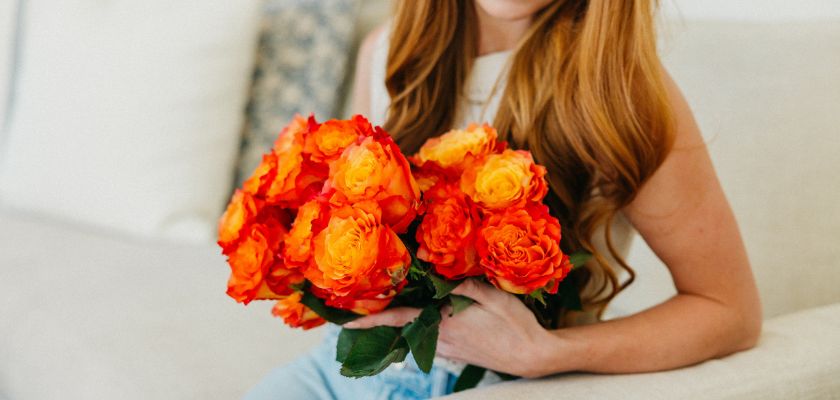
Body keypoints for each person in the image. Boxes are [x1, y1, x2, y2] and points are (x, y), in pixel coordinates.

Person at [246, 0, 762, 398]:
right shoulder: (386, 52)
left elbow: (729, 310)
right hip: (346, 374)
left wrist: (547, 352)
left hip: (508, 385)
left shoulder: (620, 93)